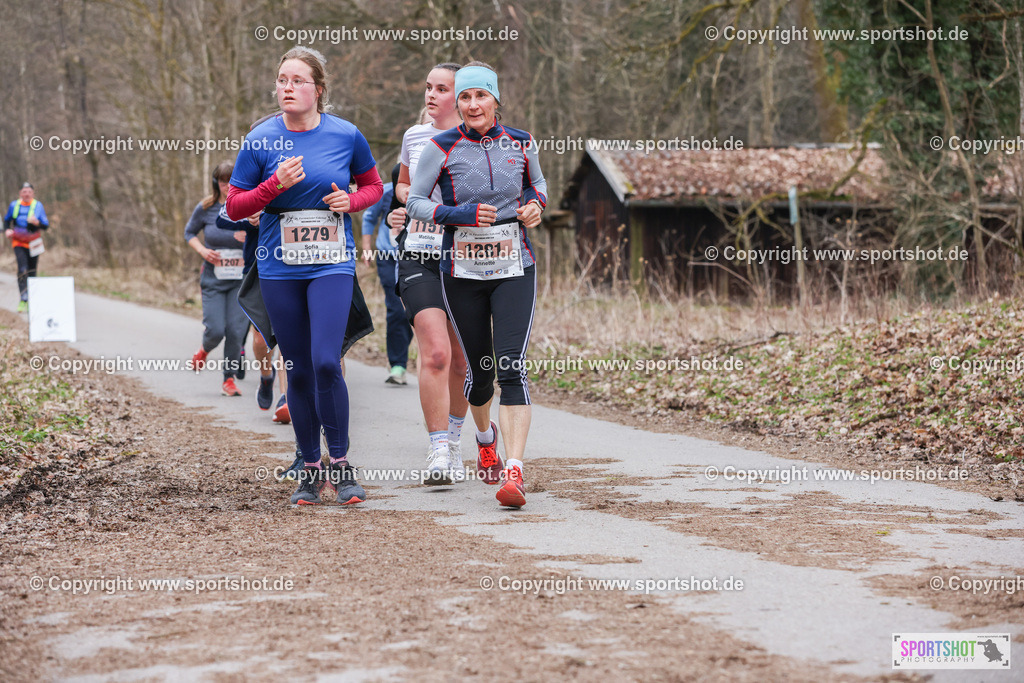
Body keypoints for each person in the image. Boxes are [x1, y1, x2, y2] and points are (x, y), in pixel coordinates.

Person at [226, 46, 382, 506]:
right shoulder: (260, 140)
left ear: (319, 89)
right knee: (295, 364)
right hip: (278, 266)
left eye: (297, 80)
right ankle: (309, 467)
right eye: (281, 79)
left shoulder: (346, 135)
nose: (287, 87)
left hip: (331, 261)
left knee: (326, 361)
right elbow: (234, 207)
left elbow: (372, 186)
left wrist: (350, 203)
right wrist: (273, 186)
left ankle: (342, 465)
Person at [406, 62, 547, 507]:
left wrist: (534, 206)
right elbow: (414, 203)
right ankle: (483, 438)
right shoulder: (439, 147)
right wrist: (459, 214)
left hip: (514, 266)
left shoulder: (521, 142)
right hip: (460, 272)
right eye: (464, 97)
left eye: (480, 96)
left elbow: (537, 184)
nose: (471, 105)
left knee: (512, 367)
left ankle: (515, 471)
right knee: (480, 374)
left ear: (495, 100)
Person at [387, 63, 472, 486]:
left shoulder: (482, 143)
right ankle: (438, 448)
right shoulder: (414, 137)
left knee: (460, 361)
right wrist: (409, 201)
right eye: (428, 87)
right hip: (419, 252)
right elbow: (401, 184)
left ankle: (455, 441)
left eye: (442, 89)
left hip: (466, 258)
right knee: (436, 353)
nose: (431, 95)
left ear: (462, 97)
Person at [184, 163, 250, 397]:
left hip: (240, 279)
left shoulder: (247, 205)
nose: (227, 186)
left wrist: (250, 235)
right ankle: (204, 349)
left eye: (232, 180)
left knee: (235, 330)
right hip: (213, 278)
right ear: (216, 183)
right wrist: (203, 251)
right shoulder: (206, 207)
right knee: (215, 329)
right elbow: (189, 233)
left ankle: (229, 380)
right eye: (223, 181)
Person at [361, 166, 413, 386]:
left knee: (411, 311)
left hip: (415, 257)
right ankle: (398, 365)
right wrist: (366, 248)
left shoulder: (427, 193)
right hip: (387, 255)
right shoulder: (385, 192)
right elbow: (369, 217)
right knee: (396, 308)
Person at [4, 183, 50, 313]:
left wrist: (37, 223)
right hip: (18, 242)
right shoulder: (14, 205)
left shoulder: (38, 206)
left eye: (29, 191)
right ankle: (23, 299)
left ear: (33, 193)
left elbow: (46, 226)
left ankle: (32, 300)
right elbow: (6, 220)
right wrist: (7, 230)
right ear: (20, 193)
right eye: (24, 191)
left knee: (32, 271)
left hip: (34, 243)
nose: (27, 194)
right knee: (22, 270)